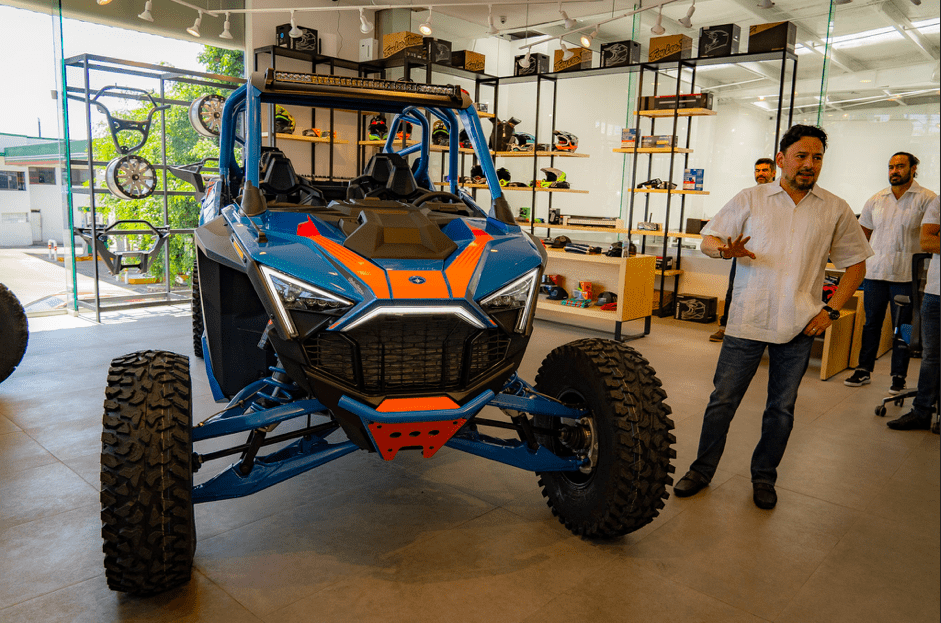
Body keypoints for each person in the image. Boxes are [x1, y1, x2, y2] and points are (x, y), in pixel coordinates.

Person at [674, 125, 872, 510]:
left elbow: (856, 265)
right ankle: (701, 470)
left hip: (799, 323)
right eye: (801, 156)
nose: (809, 164)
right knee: (722, 401)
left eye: (817, 158)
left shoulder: (835, 208)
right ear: (781, 159)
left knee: (781, 409)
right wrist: (723, 252)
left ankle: (764, 477)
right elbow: (709, 239)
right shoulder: (751, 198)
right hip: (748, 318)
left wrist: (830, 312)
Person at [844, 153, 937, 393]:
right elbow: (862, 233)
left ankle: (899, 377)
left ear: (913, 168)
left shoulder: (927, 199)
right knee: (871, 324)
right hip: (875, 273)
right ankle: (863, 370)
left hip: (906, 276)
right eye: (891, 167)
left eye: (900, 166)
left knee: (903, 328)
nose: (894, 171)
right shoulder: (877, 199)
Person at [887, 195, 940, 433]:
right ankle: (921, 412)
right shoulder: (939, 202)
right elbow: (927, 242)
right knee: (931, 358)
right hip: (936, 294)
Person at [710, 158, 777, 342]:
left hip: (770, 257)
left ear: (774, 173)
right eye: (757, 170)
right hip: (743, 255)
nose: (760, 174)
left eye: (764, 170)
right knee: (733, 291)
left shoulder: (779, 199)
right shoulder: (747, 196)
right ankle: (725, 328)